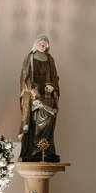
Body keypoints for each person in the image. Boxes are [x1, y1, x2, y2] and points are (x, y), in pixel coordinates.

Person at [19, 34, 60, 162]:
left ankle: (46, 150)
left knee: (47, 120)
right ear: (36, 44)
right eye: (41, 44)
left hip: (47, 91)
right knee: (34, 120)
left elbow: (54, 76)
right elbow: (24, 76)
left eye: (45, 45)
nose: (42, 47)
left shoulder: (49, 59)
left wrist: (52, 87)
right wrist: (32, 90)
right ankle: (32, 150)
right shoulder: (30, 57)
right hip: (33, 92)